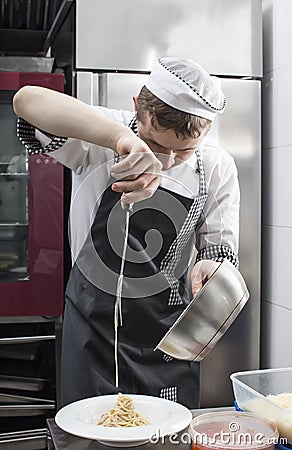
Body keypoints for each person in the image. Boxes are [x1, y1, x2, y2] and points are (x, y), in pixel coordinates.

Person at [13, 57, 240, 409]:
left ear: (205, 130)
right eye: (155, 146)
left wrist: (214, 269)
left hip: (167, 334)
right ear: (137, 107)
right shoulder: (100, 136)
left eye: (182, 152)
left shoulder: (215, 165)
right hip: (95, 327)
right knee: (92, 434)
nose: (165, 163)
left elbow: (218, 249)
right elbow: (26, 102)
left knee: (168, 438)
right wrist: (121, 139)